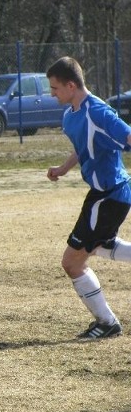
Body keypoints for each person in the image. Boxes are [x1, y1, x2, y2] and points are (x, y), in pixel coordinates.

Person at [46, 56, 131, 339]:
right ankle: (107, 322)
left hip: (110, 196)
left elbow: (128, 136)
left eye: (55, 88)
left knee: (72, 263)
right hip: (100, 195)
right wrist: (63, 168)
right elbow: (84, 147)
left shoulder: (98, 112)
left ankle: (107, 323)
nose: (52, 93)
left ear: (71, 85)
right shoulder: (71, 114)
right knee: (102, 246)